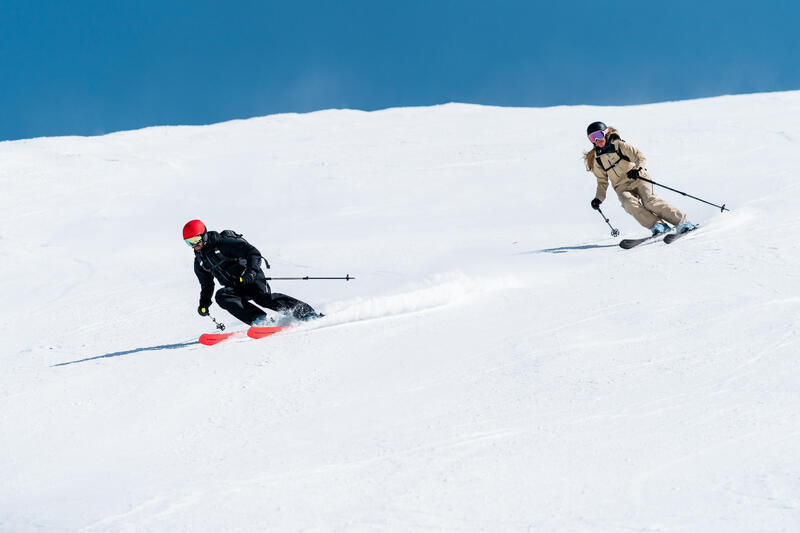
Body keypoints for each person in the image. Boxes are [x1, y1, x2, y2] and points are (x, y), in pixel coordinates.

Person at [182, 219, 321, 325]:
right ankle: (260, 321)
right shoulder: (200, 261)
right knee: (222, 296)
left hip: (251, 278)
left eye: (196, 240)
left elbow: (253, 252)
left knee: (263, 298)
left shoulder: (224, 243)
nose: (194, 245)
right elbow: (206, 285)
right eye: (189, 242)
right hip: (236, 286)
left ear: (204, 235)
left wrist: (250, 274)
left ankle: (307, 313)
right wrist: (204, 303)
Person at [584, 121, 695, 235]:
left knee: (649, 202)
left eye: (598, 135)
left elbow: (639, 157)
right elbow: (602, 181)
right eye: (592, 138)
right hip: (621, 186)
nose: (597, 140)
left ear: (605, 133)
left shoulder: (619, 146)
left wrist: (637, 169)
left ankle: (682, 222)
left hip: (638, 178)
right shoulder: (597, 159)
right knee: (628, 203)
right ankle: (657, 225)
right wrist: (599, 198)